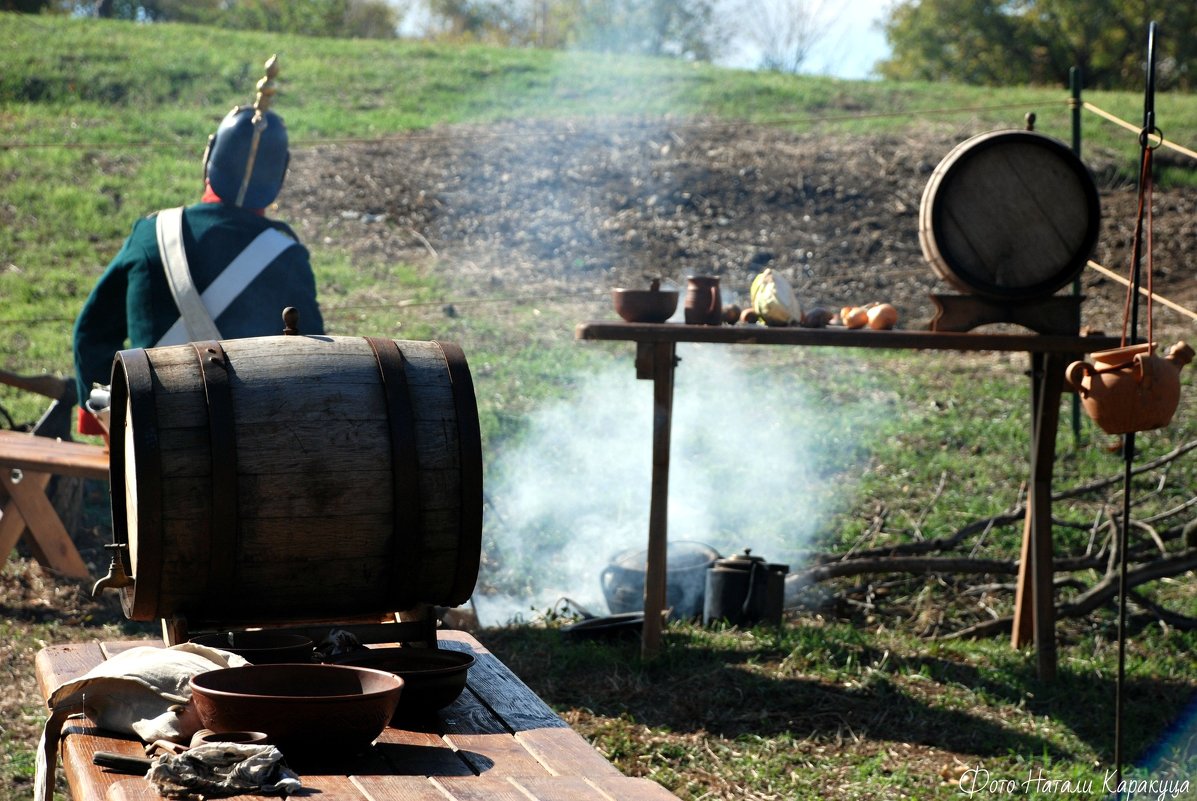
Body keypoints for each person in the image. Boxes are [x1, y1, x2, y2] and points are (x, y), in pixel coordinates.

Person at [72, 55, 323, 436]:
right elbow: (315, 365)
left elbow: (90, 332)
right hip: (253, 445)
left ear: (210, 156)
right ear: (279, 175)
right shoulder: (287, 257)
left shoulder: (151, 235)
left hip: (153, 442)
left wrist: (109, 423)